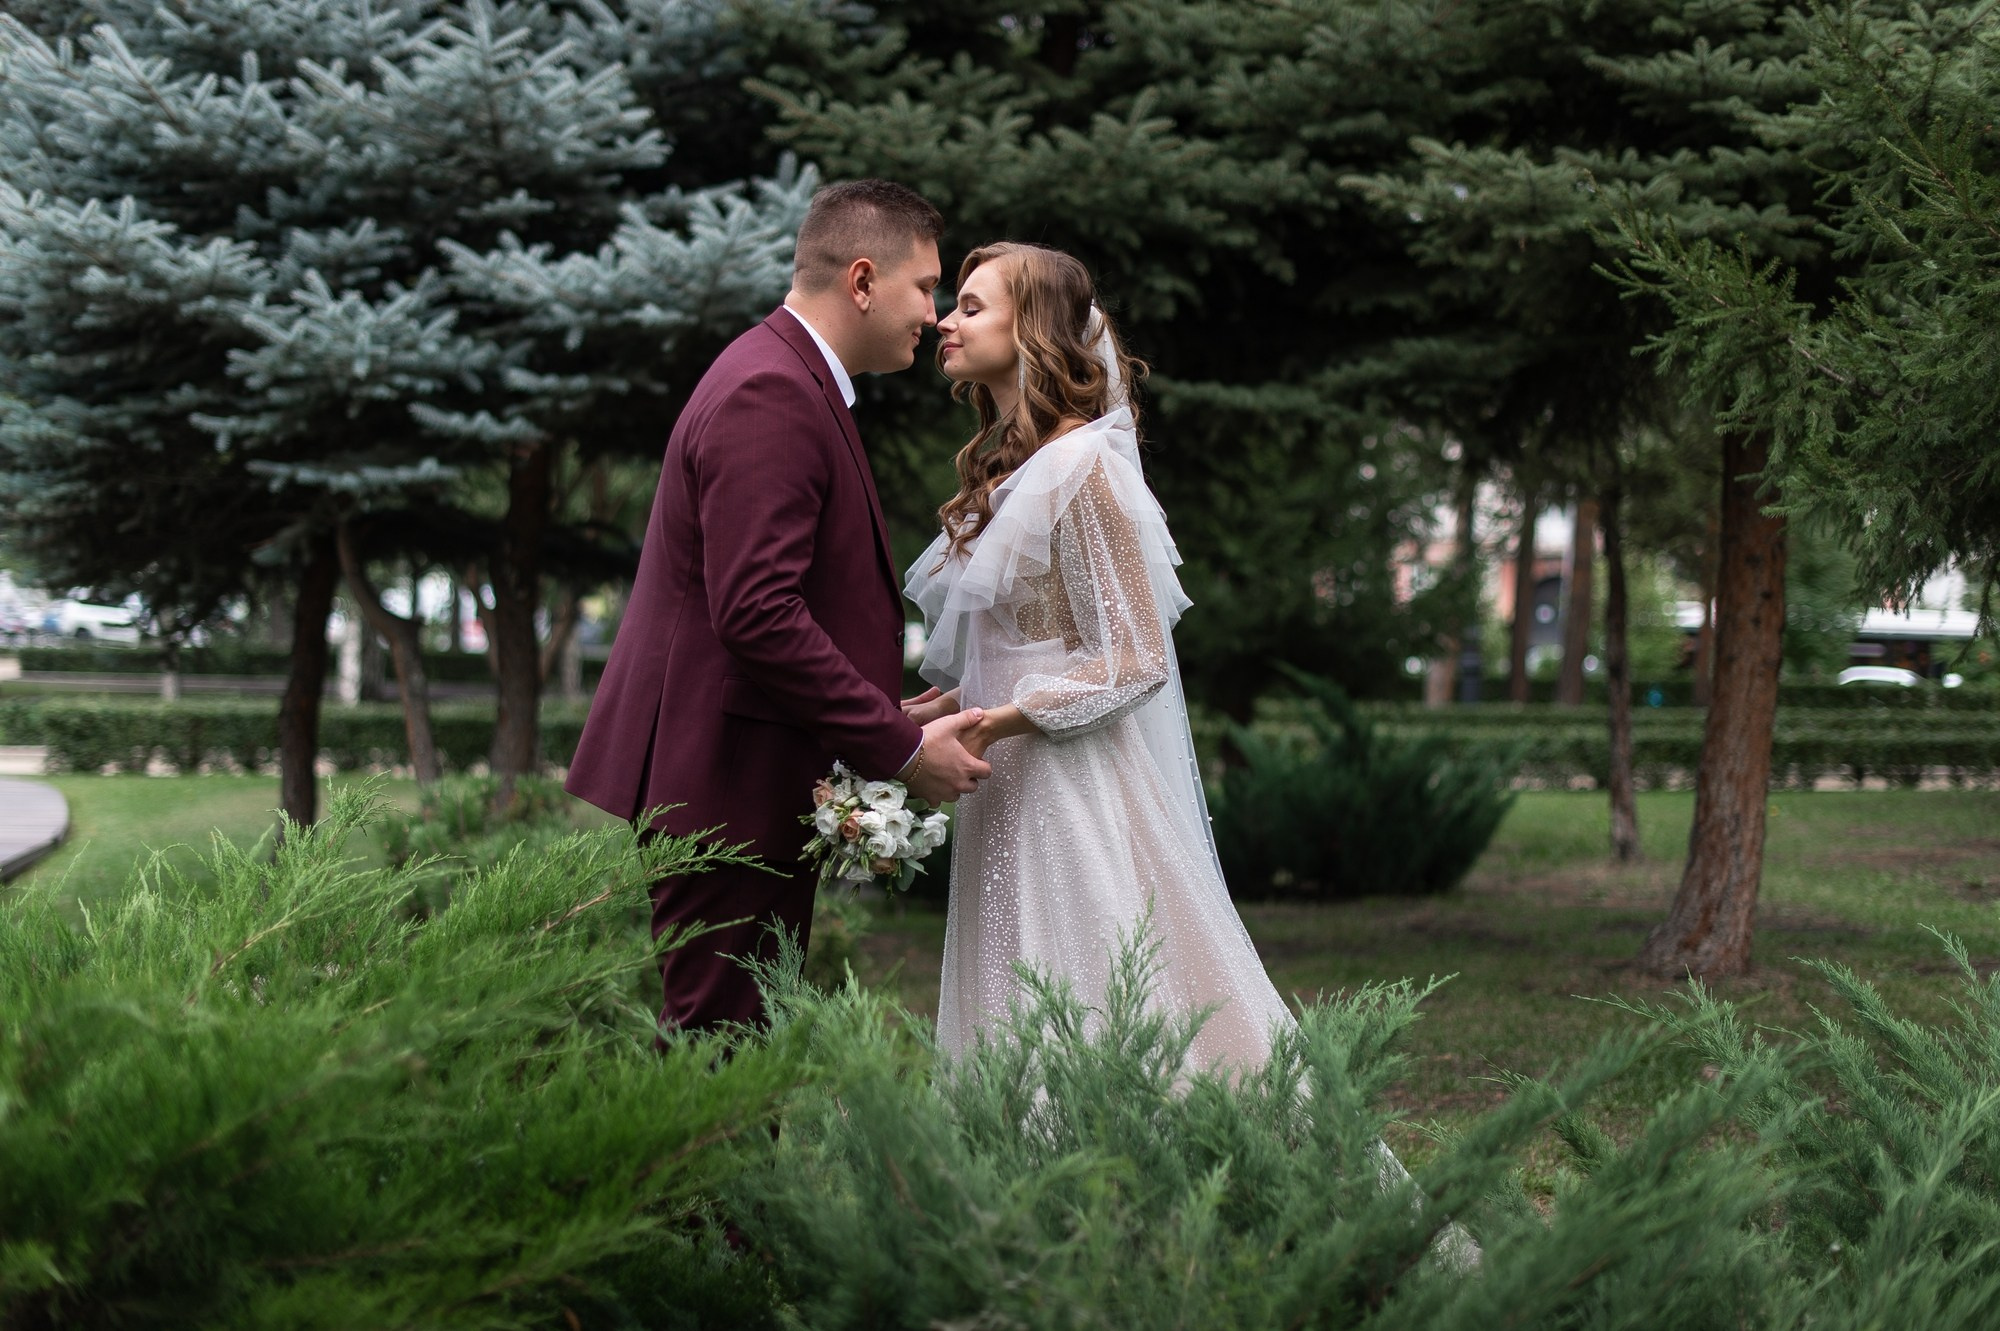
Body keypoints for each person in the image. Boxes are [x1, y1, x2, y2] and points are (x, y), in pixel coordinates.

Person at [566, 180, 991, 1037]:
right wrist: (901, 749)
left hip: (743, 774)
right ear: (862, 281)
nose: (936, 315)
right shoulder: (772, 392)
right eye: (925, 286)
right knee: (723, 1057)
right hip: (724, 785)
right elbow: (756, 612)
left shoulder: (785, 376)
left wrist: (877, 713)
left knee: (735, 1053)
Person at [902, 241, 1302, 1074]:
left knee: (1084, 992)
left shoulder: (1084, 468)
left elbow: (1134, 658)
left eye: (973, 306)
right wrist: (941, 710)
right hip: (1001, 779)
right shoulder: (1007, 469)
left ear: (1034, 326)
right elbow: (1026, 639)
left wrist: (1000, 719)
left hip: (1067, 784)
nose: (946, 319)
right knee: (1009, 996)